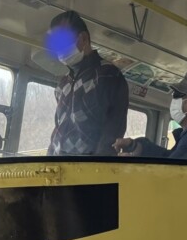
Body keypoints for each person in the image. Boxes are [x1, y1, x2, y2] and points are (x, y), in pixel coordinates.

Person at [46, 11, 128, 156]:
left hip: (88, 167)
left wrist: (96, 168)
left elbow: (113, 129)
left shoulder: (107, 75)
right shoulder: (62, 83)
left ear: (83, 38)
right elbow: (59, 127)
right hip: (57, 165)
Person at [113, 71, 187, 162]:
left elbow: (173, 173)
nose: (173, 100)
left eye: (177, 95)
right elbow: (171, 158)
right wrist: (135, 146)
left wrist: (132, 163)